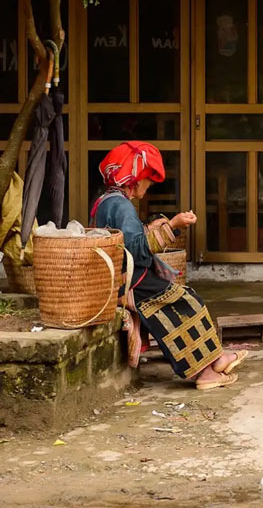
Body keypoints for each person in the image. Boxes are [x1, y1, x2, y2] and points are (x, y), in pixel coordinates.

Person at [92, 141, 247, 390]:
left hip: (126, 277)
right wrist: (173, 225)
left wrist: (151, 228)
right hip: (132, 281)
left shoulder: (106, 201)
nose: (149, 185)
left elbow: (126, 240)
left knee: (188, 299)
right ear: (135, 179)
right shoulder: (120, 205)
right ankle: (206, 372)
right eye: (147, 180)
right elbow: (137, 249)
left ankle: (215, 359)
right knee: (185, 303)